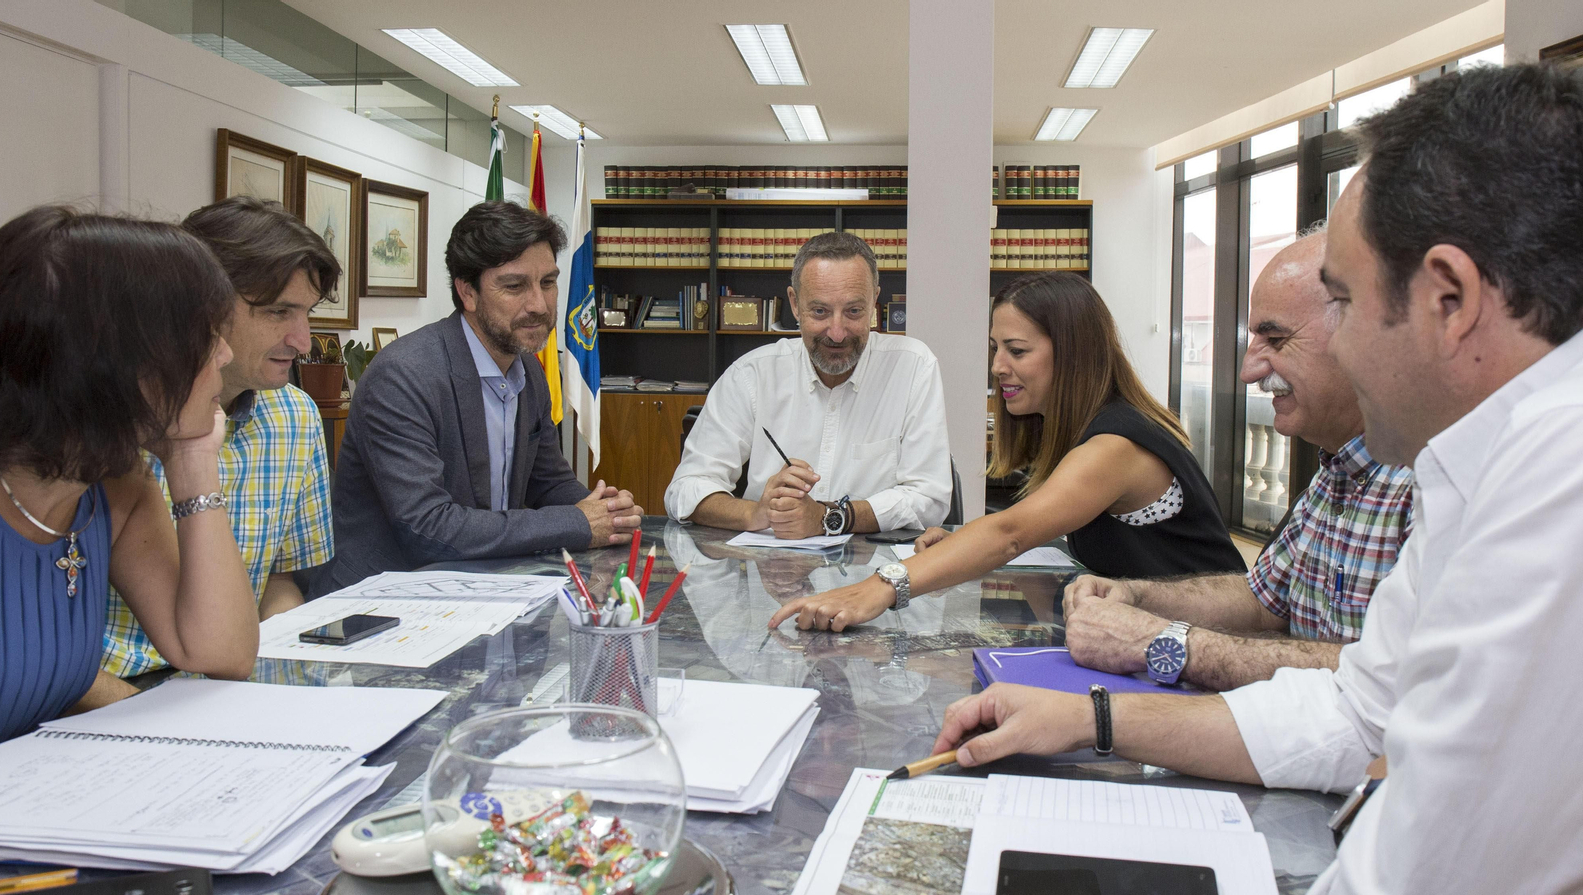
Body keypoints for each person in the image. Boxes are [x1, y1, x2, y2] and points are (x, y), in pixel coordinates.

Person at [931, 65, 1583, 895]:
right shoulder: (1471, 467)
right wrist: (1093, 718)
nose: (1337, 345)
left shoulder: (1555, 490)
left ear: (1449, 297)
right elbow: (1354, 711)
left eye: (1342, 303)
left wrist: (1370, 807)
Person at [771, 271, 1243, 633]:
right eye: (996, 348)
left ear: (1073, 354)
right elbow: (1031, 530)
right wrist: (960, 546)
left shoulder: (1115, 446)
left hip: (1214, 640)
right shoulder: (1081, 430)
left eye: (1017, 351)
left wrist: (879, 587)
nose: (997, 366)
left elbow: (1011, 534)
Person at [1062, 230, 1413, 690]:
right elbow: (1262, 599)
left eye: (1276, 339)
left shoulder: (1433, 480)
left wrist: (1163, 643)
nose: (1249, 371)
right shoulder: (1338, 472)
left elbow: (1397, 678)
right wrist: (1134, 595)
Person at [0, 206, 259, 748]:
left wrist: (193, 462)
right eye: (206, 335)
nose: (226, 354)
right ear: (120, 362)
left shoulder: (115, 489)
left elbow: (222, 652)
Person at [310, 202, 641, 595]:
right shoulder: (402, 377)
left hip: (485, 590)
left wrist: (608, 512)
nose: (539, 305)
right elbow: (428, 528)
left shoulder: (529, 368)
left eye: (548, 282)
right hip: (386, 601)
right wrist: (578, 522)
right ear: (467, 292)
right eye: (515, 286)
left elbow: (548, 483)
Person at [102, 196, 338, 678]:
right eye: (279, 312)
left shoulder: (295, 416)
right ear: (201, 309)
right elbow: (43, 650)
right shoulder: (104, 430)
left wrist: (276, 673)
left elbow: (279, 580)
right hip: (109, 689)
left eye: (307, 312)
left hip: (226, 673)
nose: (303, 341)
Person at [665, 231, 951, 538]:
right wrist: (757, 513)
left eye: (854, 311)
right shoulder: (751, 374)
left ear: (873, 302)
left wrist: (829, 516)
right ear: (794, 303)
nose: (837, 332)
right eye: (820, 311)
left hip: (876, 564)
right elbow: (685, 489)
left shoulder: (913, 367)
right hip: (770, 562)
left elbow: (929, 499)